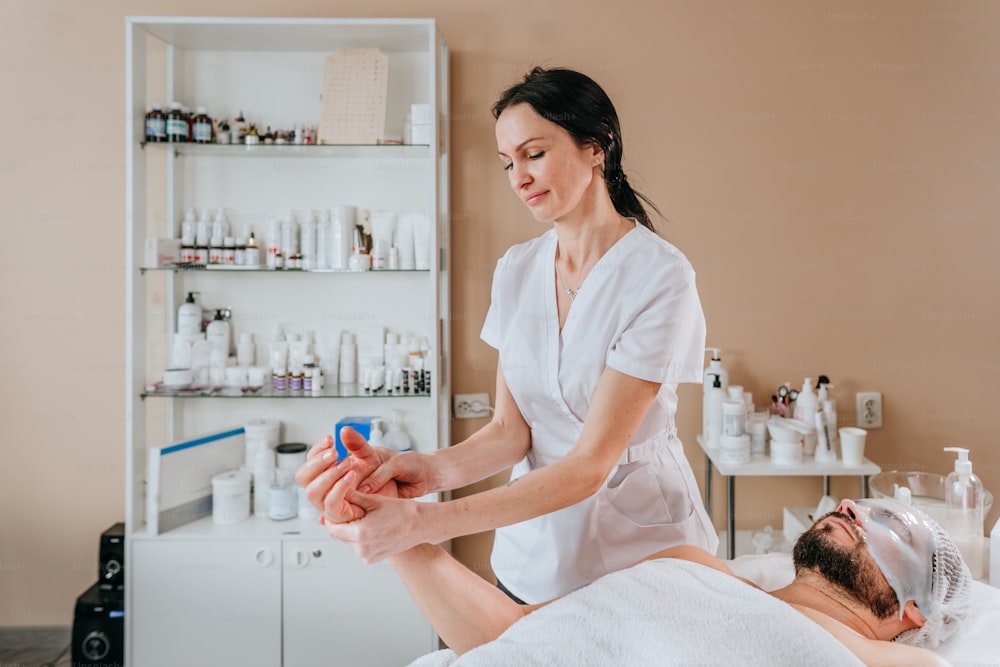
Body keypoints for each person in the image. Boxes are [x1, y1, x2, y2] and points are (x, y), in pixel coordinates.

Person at [296, 66, 716, 604]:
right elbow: (508, 431)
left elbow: (590, 465)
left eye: (534, 154)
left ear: (597, 147)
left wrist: (426, 523)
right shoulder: (517, 270)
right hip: (534, 551)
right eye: (507, 162)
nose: (518, 176)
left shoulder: (659, 276)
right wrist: (426, 469)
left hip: (642, 553)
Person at [386, 494, 971, 666]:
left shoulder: (894, 662)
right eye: (860, 502)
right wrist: (396, 529)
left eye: (892, 523)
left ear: (914, 610)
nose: (852, 506)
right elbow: (515, 637)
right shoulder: (691, 562)